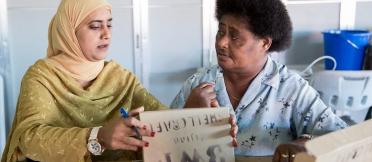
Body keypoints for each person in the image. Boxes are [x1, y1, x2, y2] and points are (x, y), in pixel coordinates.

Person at [170, 0, 348, 161]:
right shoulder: (198, 84)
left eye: (234, 36)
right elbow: (163, 147)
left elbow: (342, 137)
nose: (221, 42)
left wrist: (304, 144)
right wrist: (188, 116)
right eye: (221, 31)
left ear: (264, 43)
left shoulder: (292, 89)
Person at [1, 0, 166, 161]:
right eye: (95, 26)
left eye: (109, 24)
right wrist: (96, 136)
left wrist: (189, 115)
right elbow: (29, 138)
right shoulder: (42, 77)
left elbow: (162, 119)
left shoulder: (121, 78)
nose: (106, 34)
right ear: (69, 32)